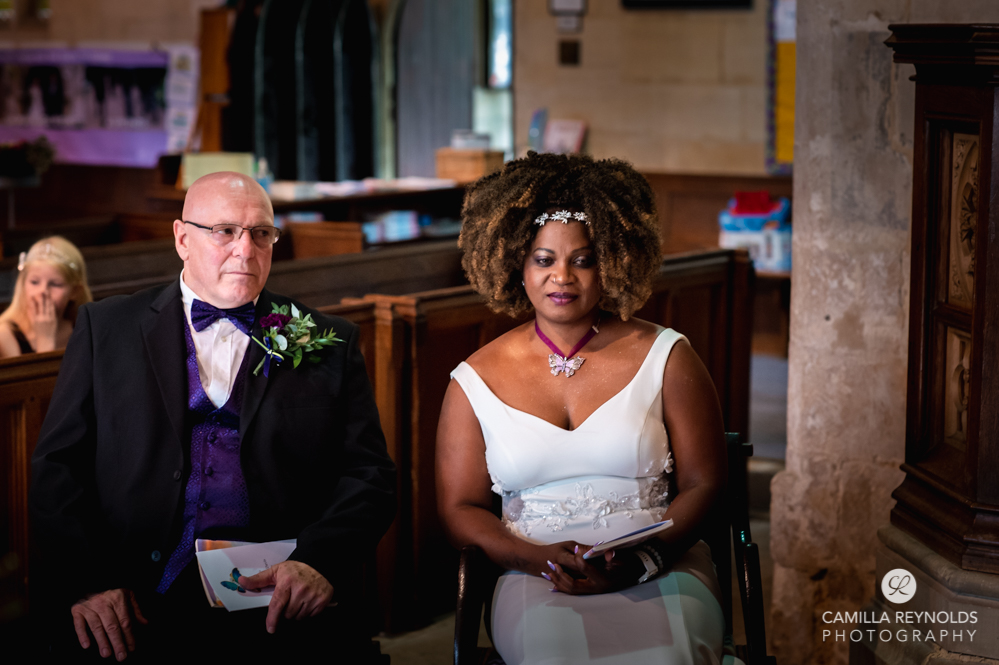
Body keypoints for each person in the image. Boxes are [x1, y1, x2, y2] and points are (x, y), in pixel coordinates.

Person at [30, 172, 396, 662]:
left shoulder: (327, 340)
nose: (246, 250)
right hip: (132, 594)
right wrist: (89, 583)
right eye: (225, 231)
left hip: (272, 596)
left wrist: (317, 563)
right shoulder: (107, 329)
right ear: (182, 238)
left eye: (261, 233)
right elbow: (57, 465)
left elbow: (369, 475)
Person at [436, 152, 729, 664]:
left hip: (662, 565)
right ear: (515, 265)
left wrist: (645, 557)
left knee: (668, 656)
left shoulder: (668, 356)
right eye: (544, 259)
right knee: (554, 654)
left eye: (584, 258)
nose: (562, 277)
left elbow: (706, 482)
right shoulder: (472, 380)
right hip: (537, 575)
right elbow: (460, 509)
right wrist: (533, 558)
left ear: (613, 260)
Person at [0, 236, 92, 358]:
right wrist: (45, 338)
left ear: (74, 291)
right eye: (34, 282)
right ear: (23, 284)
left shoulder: (84, 330)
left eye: (55, 284)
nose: (43, 291)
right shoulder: (5, 334)